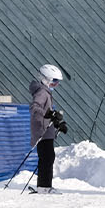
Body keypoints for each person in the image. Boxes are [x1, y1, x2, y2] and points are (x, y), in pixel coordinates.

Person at [29, 64, 66, 193]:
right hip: (42, 131)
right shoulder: (42, 93)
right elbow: (35, 107)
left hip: (45, 130)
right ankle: (44, 187)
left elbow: (47, 112)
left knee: (48, 157)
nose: (56, 84)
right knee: (47, 157)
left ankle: (44, 186)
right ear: (46, 79)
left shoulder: (46, 92)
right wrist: (51, 114)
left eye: (57, 82)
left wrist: (57, 123)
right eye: (54, 81)